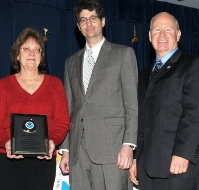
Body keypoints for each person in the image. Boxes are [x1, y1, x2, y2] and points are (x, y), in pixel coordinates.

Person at [58, 0, 138, 189]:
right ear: (78, 26)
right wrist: (66, 149)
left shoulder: (123, 54)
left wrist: (129, 145)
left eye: (93, 18)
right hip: (78, 152)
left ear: (103, 21)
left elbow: (132, 105)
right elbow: (69, 108)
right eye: (83, 20)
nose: (89, 23)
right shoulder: (70, 62)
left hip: (113, 149)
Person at [129, 12, 199, 190]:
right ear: (150, 36)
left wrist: (183, 154)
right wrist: (136, 158)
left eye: (168, 29)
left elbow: (195, 113)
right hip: (146, 169)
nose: (162, 34)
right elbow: (140, 118)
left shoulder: (193, 64)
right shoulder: (143, 75)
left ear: (178, 35)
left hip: (178, 167)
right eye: (157, 29)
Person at [0, 28, 70, 190]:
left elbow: (63, 121)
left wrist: (51, 141)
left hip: (43, 160)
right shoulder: (4, 85)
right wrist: (6, 142)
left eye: (36, 50)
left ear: (41, 56)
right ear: (17, 55)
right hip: (7, 158)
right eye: (26, 49)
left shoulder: (55, 84)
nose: (32, 53)